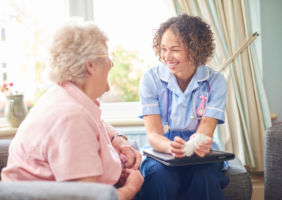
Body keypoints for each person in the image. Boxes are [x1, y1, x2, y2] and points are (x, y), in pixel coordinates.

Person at [1, 17, 143, 200]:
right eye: (108, 56)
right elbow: (87, 198)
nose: (112, 63)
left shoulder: (67, 96)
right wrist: (133, 186)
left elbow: (96, 122)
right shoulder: (71, 116)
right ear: (90, 65)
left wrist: (117, 138)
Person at [139, 14, 230, 200]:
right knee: (159, 176)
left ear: (195, 49)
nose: (167, 57)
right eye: (163, 49)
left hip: (199, 151)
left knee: (205, 176)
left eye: (175, 50)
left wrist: (198, 143)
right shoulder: (150, 80)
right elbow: (154, 135)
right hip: (161, 150)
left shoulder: (215, 81)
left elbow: (205, 129)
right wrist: (171, 147)